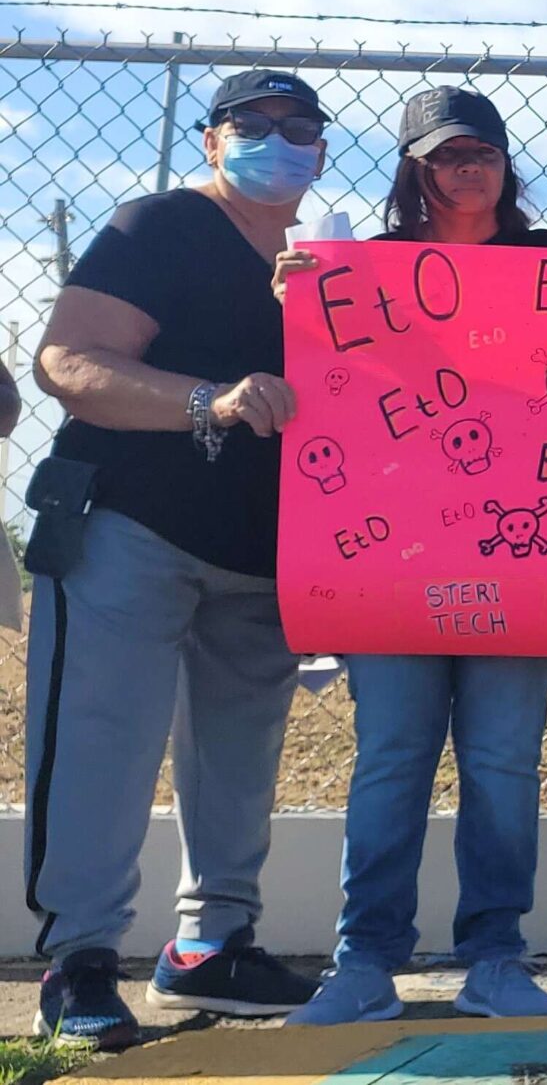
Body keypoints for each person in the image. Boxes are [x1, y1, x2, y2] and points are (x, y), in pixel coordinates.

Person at [271, 87, 547, 1025]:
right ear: (414, 170)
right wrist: (295, 302)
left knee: (501, 762)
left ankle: (495, 957)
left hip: (523, 562)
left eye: (483, 153)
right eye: (446, 156)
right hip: (391, 563)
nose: (468, 170)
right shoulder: (362, 267)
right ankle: (363, 962)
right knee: (392, 759)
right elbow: (327, 383)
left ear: (506, 165)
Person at [23, 70, 332, 1049]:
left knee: (241, 755)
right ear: (210, 140)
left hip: (265, 549)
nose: (277, 140)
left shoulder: (329, 262)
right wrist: (210, 400)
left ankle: (213, 944)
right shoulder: (156, 225)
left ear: (324, 149)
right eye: (252, 124)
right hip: (129, 523)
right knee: (101, 743)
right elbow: (67, 361)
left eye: (299, 126)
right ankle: (79, 959)